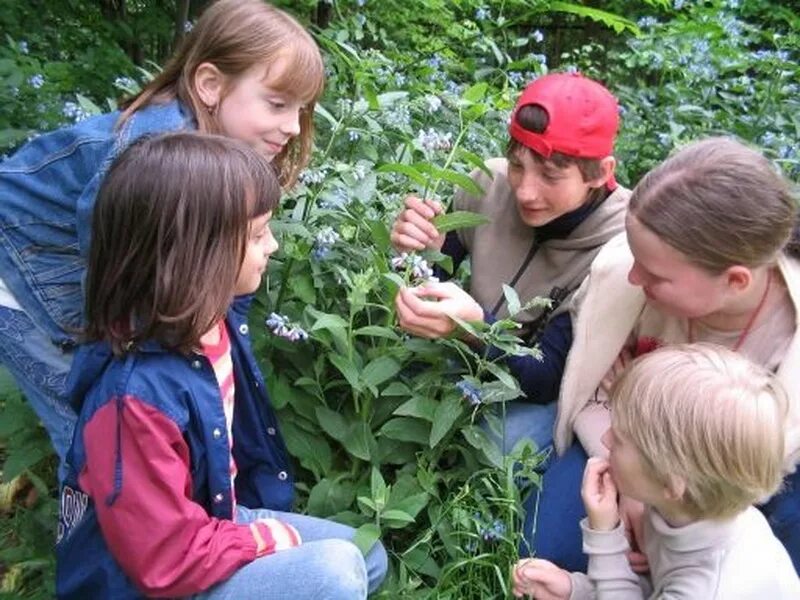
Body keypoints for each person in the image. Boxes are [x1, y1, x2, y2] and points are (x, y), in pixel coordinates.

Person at [0, 0, 324, 478]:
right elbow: (115, 265)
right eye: (277, 104)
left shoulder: (222, 154)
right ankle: (105, 542)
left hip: (83, 262)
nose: (294, 126)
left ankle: (174, 529)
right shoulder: (155, 148)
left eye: (301, 109)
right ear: (210, 85)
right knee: (101, 432)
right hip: (25, 266)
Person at [56, 133, 387, 599]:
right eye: (256, 235)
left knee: (368, 556)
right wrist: (266, 539)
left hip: (210, 519)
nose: (272, 245)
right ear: (196, 256)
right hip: (154, 575)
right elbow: (167, 559)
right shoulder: (134, 401)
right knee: (335, 571)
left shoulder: (210, 318)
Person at [525, 136, 800, 573]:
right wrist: (635, 487)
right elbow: (595, 393)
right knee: (547, 551)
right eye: (635, 259)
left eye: (654, 275)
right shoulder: (624, 280)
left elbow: (764, 467)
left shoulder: (788, 342)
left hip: (742, 492)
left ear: (735, 281)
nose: (633, 278)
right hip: (624, 445)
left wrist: (681, 520)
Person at [390, 73, 630, 453]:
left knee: (497, 443)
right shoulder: (488, 182)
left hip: (537, 389)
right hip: (466, 351)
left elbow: (550, 378)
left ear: (600, 173)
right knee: (391, 389)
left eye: (551, 175)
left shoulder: (619, 247)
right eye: (517, 165)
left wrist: (476, 331)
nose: (524, 190)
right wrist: (421, 254)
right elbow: (428, 289)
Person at [513, 344, 800, 599]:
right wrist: (575, 589)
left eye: (622, 440)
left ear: (672, 484)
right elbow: (659, 586)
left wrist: (605, 534)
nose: (605, 440)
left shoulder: (709, 588)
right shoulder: (689, 511)